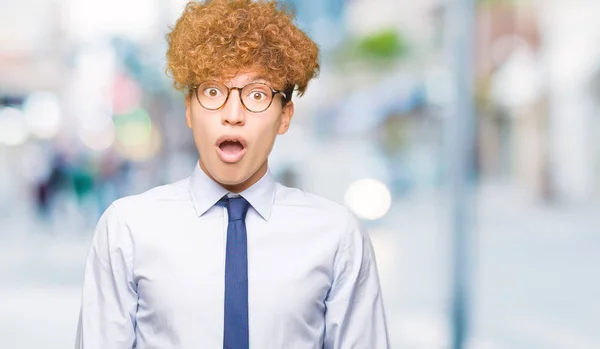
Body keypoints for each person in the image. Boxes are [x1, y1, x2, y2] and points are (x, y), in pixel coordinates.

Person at [75, 0, 390, 348]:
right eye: (213, 92)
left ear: (285, 115)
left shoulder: (337, 236)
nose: (233, 114)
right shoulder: (127, 228)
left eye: (257, 95)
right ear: (189, 111)